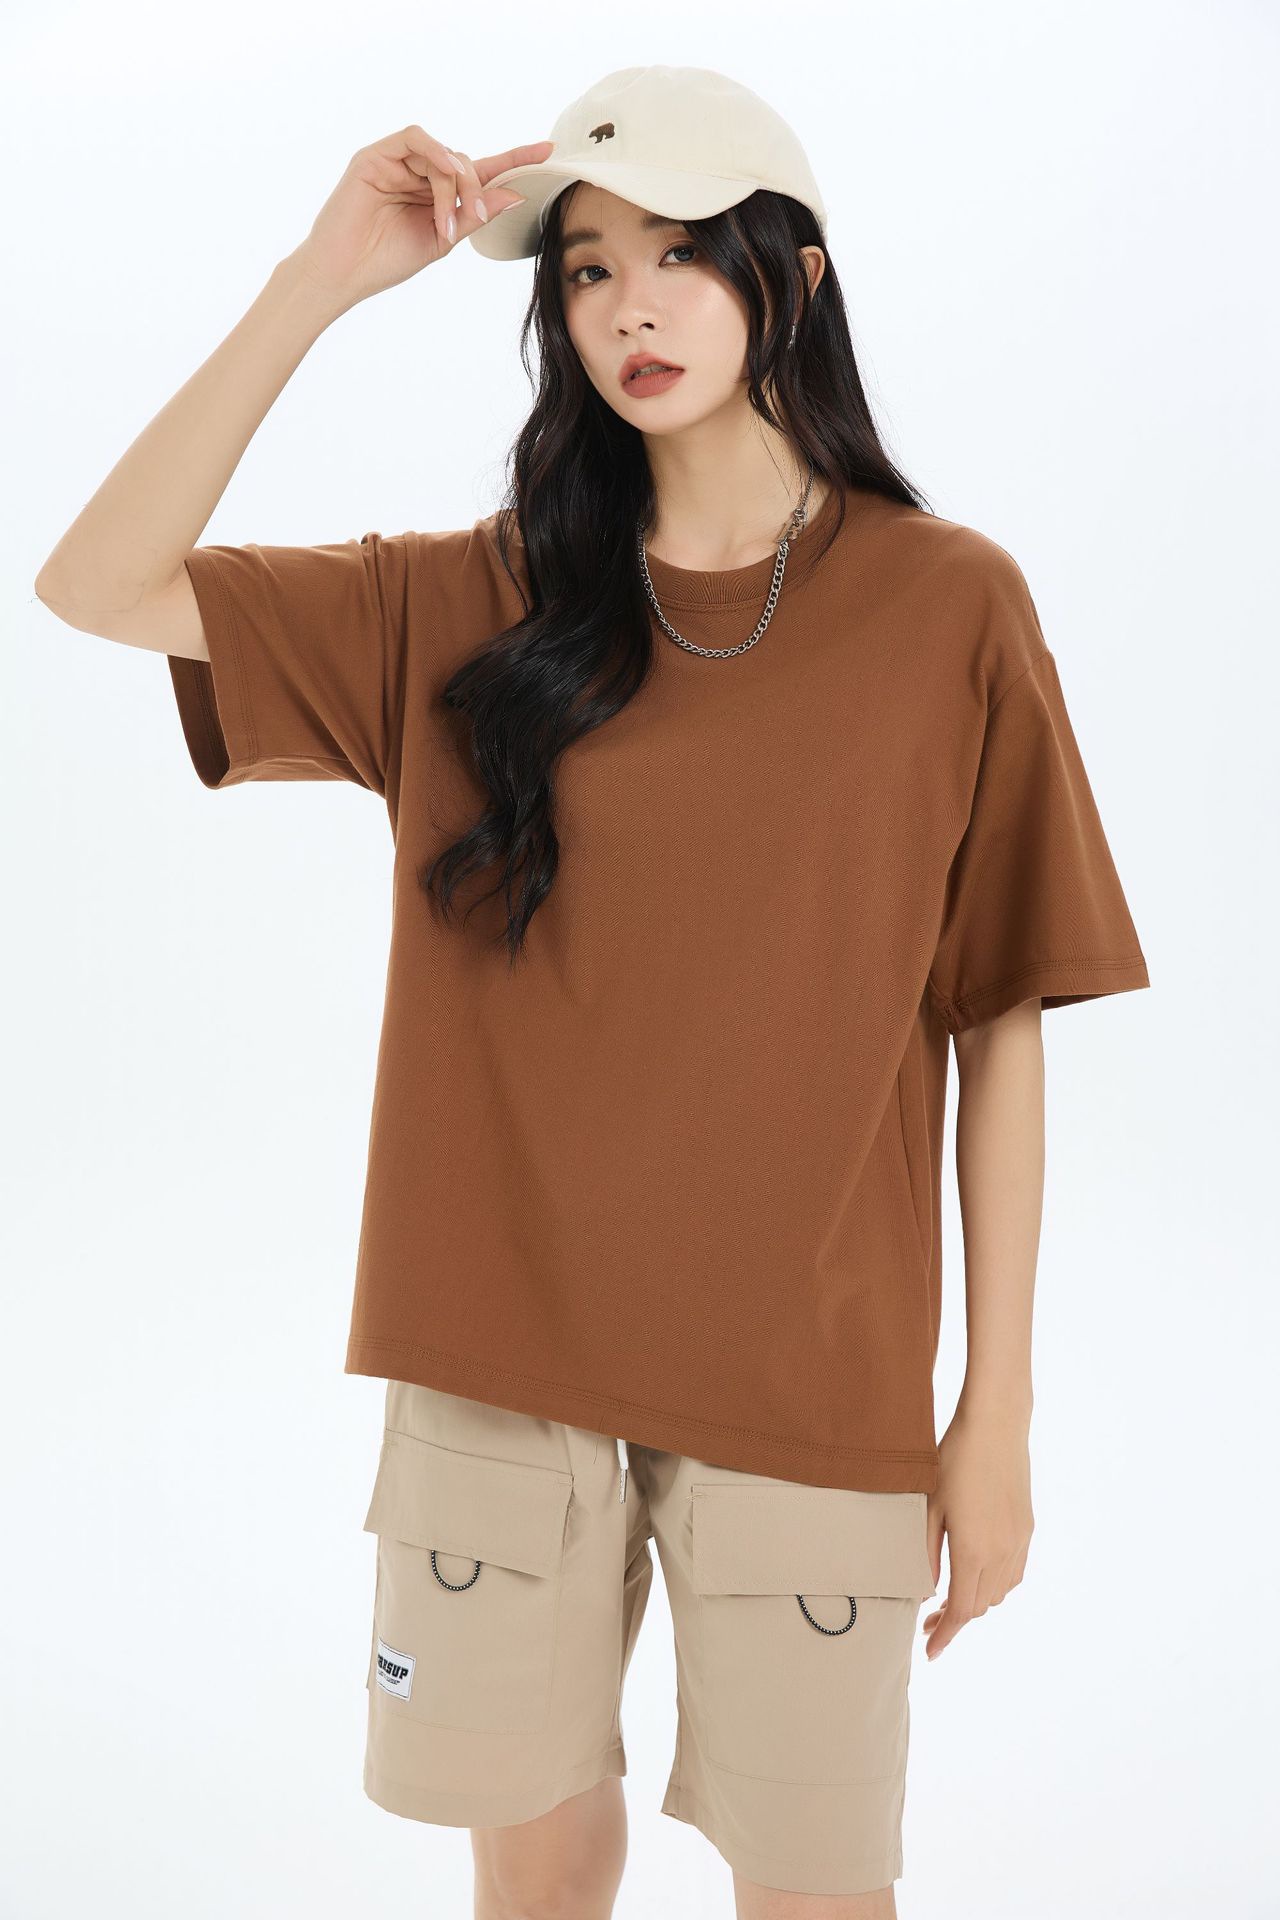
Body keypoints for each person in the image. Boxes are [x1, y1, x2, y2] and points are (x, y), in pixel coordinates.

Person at [34, 62, 1150, 1920]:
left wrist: (996, 1416)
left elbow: (1000, 1017)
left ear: (792, 275)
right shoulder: (466, 604)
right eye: (586, 268)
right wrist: (320, 281)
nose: (631, 304)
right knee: (538, 1871)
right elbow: (94, 582)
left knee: (820, 1885)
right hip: (500, 1373)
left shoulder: (950, 605)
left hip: (812, 1382)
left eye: (680, 253)